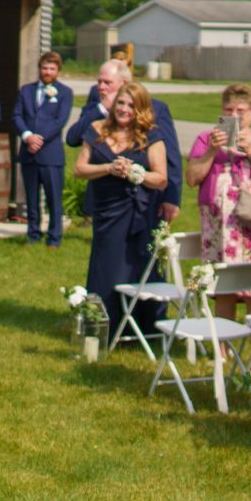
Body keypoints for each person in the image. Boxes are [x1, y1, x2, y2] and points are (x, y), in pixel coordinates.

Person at [74, 82, 169, 334]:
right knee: (105, 269)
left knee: (134, 267)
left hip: (137, 214)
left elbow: (161, 178)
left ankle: (138, 329)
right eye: (121, 103)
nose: (124, 109)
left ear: (140, 109)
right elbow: (79, 169)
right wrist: (108, 168)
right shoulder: (96, 129)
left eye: (130, 105)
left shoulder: (152, 136)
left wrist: (135, 173)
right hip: (106, 213)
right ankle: (102, 326)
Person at [184, 84, 251, 319]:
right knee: (223, 287)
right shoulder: (207, 139)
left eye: (241, 111)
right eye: (229, 110)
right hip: (219, 226)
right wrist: (212, 151)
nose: (234, 116)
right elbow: (192, 179)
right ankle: (223, 351)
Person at [68, 59, 182, 226]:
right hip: (104, 199)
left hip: (142, 200)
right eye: (99, 82)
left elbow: (171, 156)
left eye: (107, 83)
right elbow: (72, 139)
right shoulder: (96, 105)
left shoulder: (156, 108)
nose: (101, 87)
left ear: (125, 83)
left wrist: (172, 197)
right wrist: (101, 109)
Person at [11, 51, 72, 247]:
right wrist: (27, 136)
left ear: (57, 71)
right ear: (39, 69)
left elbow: (60, 121)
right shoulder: (26, 90)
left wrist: (40, 139)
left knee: (53, 198)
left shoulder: (64, 93)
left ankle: (54, 237)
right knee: (31, 198)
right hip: (28, 153)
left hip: (51, 154)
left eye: (51, 69)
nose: (47, 72)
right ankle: (33, 234)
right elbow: (17, 116)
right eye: (44, 68)